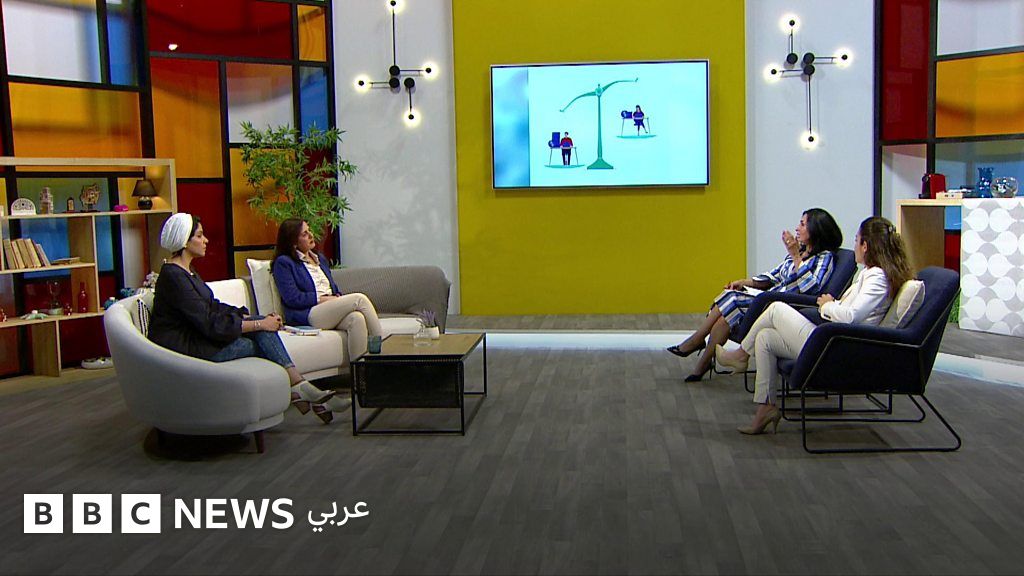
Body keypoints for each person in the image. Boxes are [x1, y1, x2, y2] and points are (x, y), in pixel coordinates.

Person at [716, 216, 912, 435]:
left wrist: (827, 305)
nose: (855, 245)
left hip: (840, 345)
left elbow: (851, 317)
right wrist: (833, 303)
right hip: (833, 338)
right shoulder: (869, 273)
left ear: (865, 246)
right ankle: (766, 407)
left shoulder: (877, 277)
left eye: (857, 240)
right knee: (766, 339)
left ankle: (741, 355)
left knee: (775, 309)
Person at [148, 213, 334, 424]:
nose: (206, 240)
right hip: (191, 348)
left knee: (261, 329)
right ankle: (299, 387)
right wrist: (258, 324)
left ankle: (298, 389)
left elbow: (213, 306)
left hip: (202, 338)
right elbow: (209, 323)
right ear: (184, 241)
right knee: (260, 340)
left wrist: (245, 315)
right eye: (199, 236)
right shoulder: (173, 277)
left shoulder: (187, 271)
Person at [666, 208, 843, 382]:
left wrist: (796, 256)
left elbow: (811, 288)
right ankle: (702, 365)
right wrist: (744, 282)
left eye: (802, 224)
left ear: (815, 229)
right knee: (726, 315)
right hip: (770, 298)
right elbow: (773, 277)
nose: (797, 228)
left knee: (732, 298)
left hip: (786, 307)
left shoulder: (824, 257)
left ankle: (696, 340)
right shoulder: (800, 251)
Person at [272, 219, 384, 371]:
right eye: (305, 234)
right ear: (293, 242)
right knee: (359, 299)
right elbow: (292, 298)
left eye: (309, 230)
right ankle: (383, 354)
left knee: (356, 318)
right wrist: (322, 299)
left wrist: (336, 297)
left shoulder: (319, 259)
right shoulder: (284, 263)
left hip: (328, 310)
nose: (311, 235)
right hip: (308, 313)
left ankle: (360, 376)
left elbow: (333, 288)